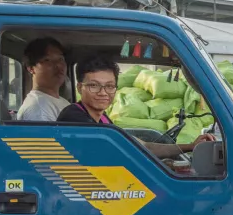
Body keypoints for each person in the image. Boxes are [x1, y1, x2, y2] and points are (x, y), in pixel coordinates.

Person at [55, 56, 214, 159]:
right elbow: (117, 154)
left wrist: (191, 146)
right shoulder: (74, 117)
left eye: (110, 86)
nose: (103, 92)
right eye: (94, 86)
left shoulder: (102, 118)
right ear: (79, 88)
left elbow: (144, 146)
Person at [16, 37, 70, 121]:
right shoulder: (39, 108)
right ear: (31, 68)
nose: (58, 65)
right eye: (47, 60)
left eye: (61, 59)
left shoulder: (62, 102)